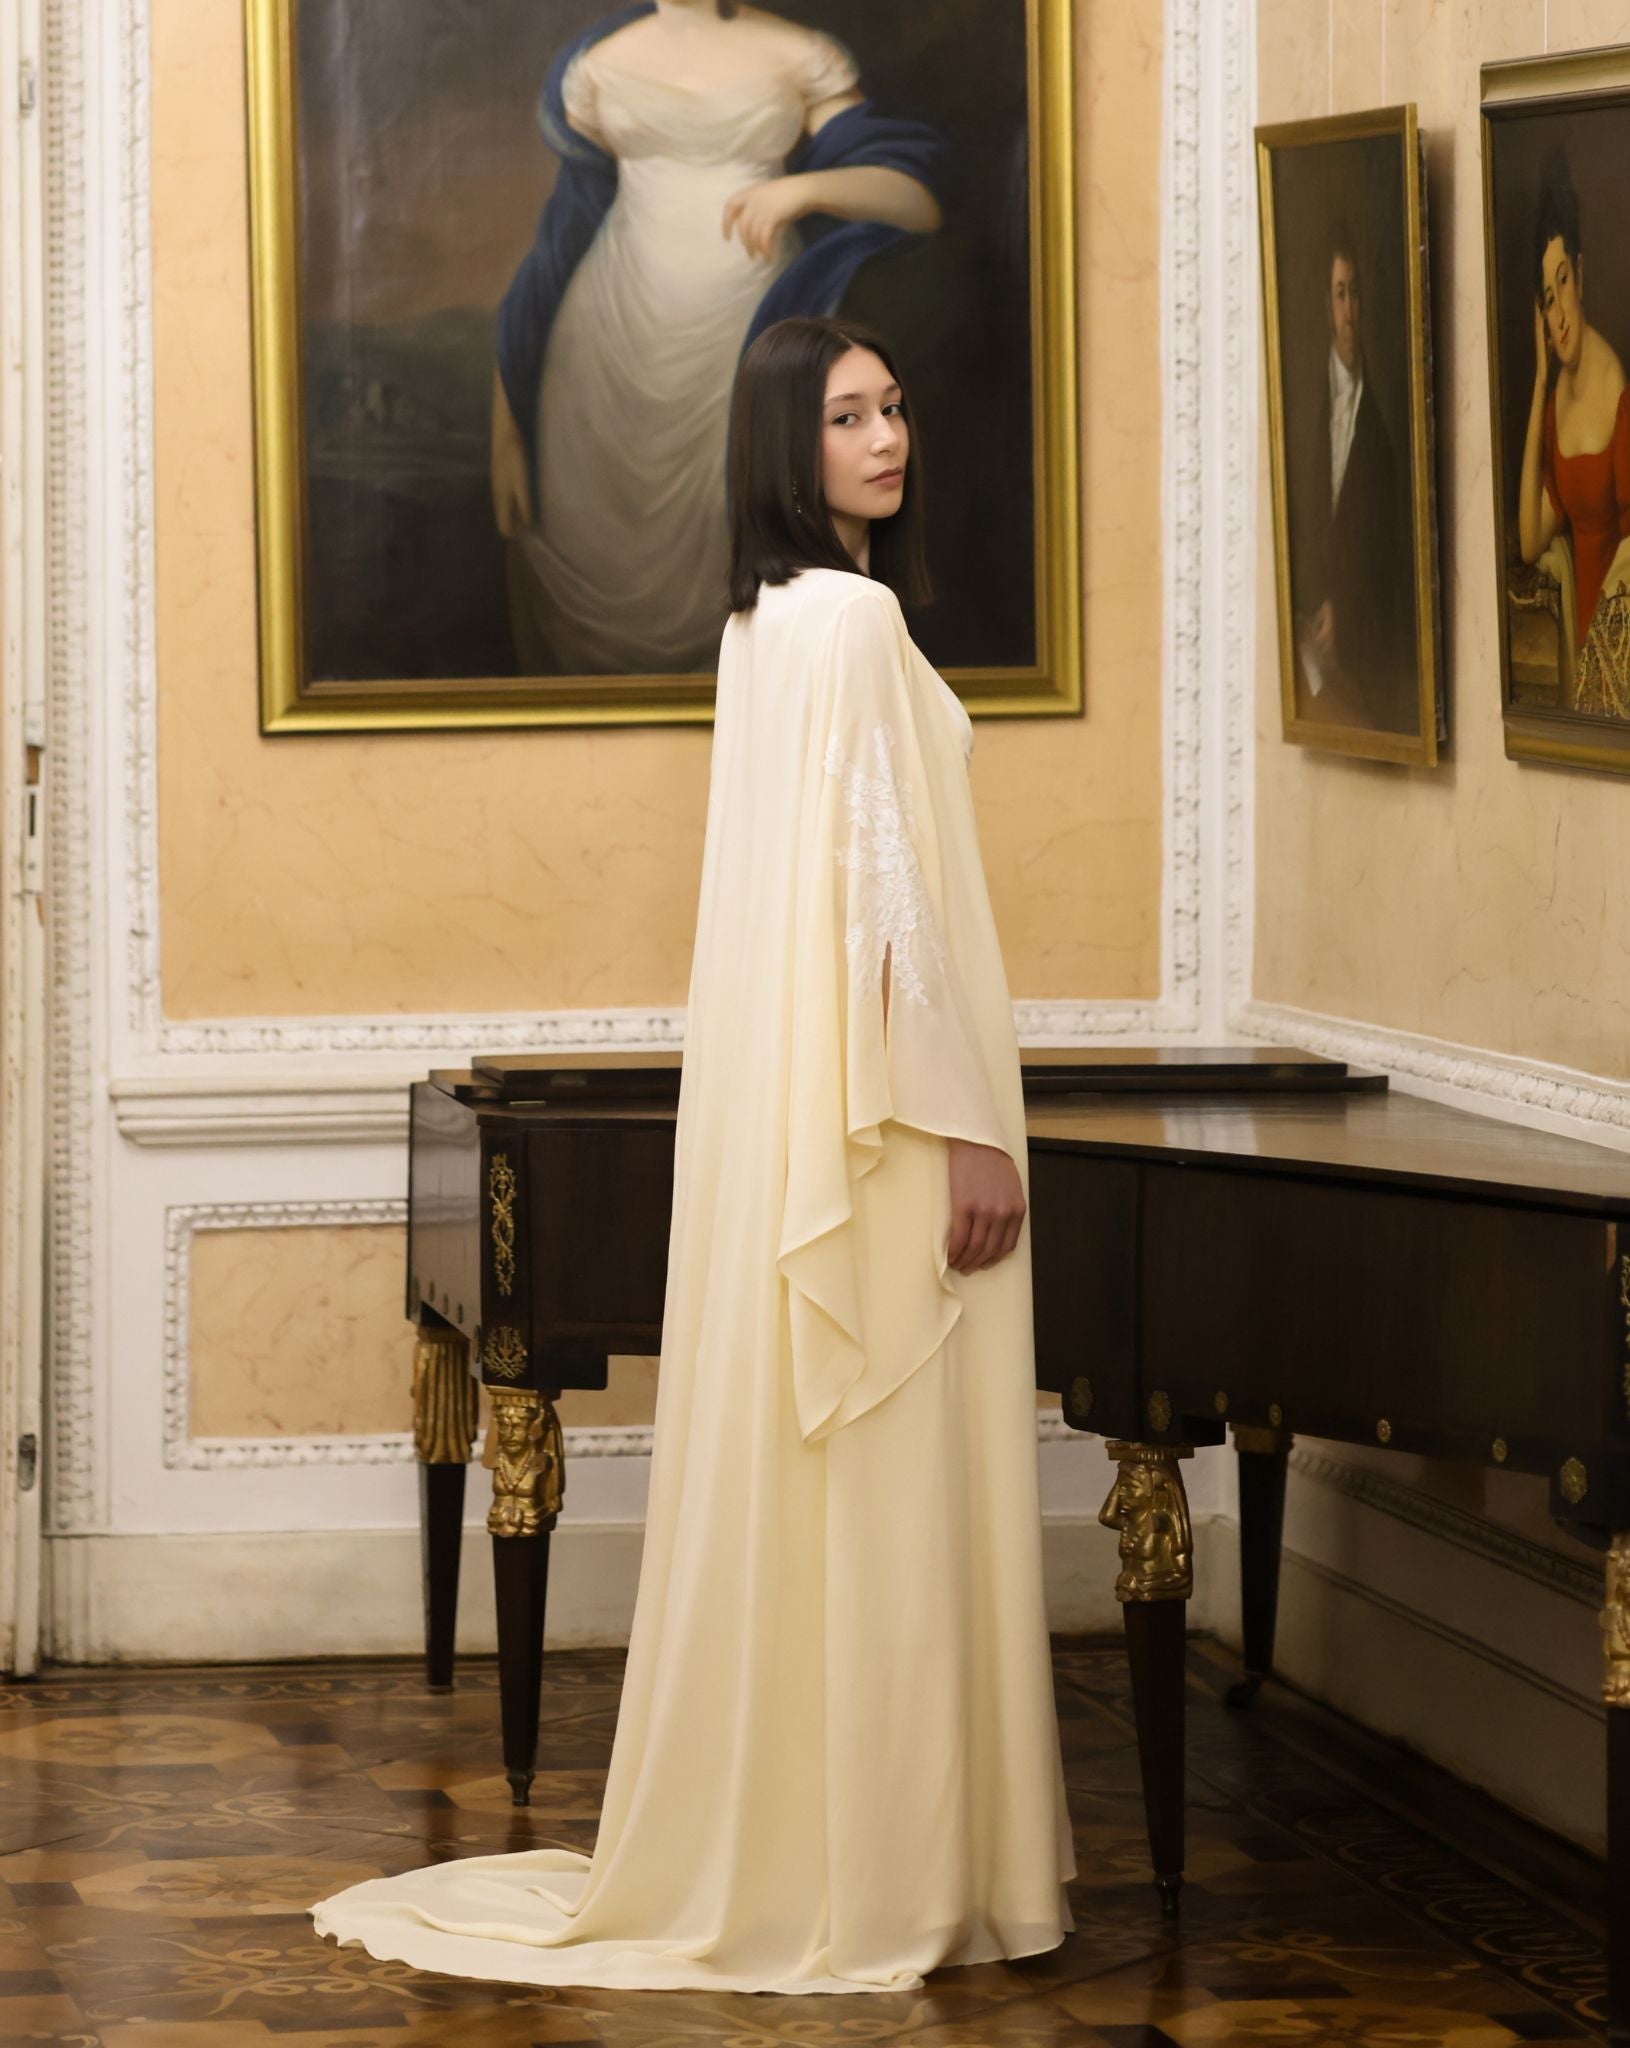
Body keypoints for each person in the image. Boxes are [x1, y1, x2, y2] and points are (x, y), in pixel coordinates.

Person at [310, 314, 1077, 1993]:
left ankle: (829, 1844)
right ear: (777, 449)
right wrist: (963, 1126)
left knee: (848, 1484)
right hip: (888, 1118)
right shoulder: (853, 619)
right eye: (846, 416)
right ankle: (894, 1865)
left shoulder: (763, 626)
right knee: (887, 1472)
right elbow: (884, 910)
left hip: (825, 1110)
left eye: (894, 404)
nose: (889, 437)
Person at [491, 0, 946, 677]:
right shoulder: (597, 65)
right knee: (602, 542)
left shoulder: (797, 53)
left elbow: (917, 204)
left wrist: (805, 189)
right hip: (605, 346)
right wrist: (506, 433)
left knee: (737, 545)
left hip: (746, 340)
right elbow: (553, 254)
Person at [1517, 147, 1630, 717]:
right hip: (1579, 639)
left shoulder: (1618, 388)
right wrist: (1539, 386)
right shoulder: (1556, 395)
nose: (1558, 313)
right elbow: (1530, 540)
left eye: (1562, 283)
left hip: (1618, 643)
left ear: (1580, 276)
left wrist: (1601, 655)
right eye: (1546, 296)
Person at [1293, 220, 1416, 732]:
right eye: (1339, 294)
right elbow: (1299, 525)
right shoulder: (1302, 414)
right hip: (1306, 644)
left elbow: (1388, 559)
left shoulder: (1382, 427)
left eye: (1355, 293)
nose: (1349, 310)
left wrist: (1344, 606)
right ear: (1326, 305)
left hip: (1362, 650)